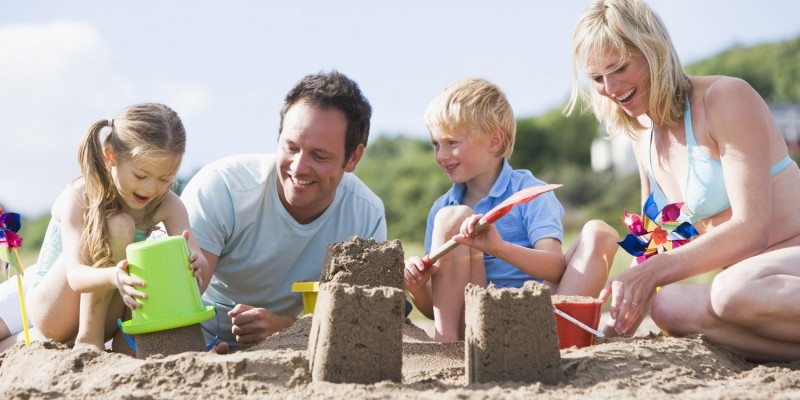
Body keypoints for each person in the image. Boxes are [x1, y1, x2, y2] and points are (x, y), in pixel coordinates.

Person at [565, 0, 800, 362]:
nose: (610, 87)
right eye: (597, 78)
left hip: (784, 261)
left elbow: (753, 229)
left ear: (653, 50)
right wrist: (615, 320)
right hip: (754, 285)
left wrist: (655, 271)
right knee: (668, 306)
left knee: (730, 292)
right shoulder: (641, 134)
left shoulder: (725, 98)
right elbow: (653, 242)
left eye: (619, 68)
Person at [180, 70, 387, 352]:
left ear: (353, 158)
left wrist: (287, 328)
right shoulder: (222, 188)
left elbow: (361, 324)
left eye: (319, 156)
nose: (299, 168)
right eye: (290, 147)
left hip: (290, 347)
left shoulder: (366, 214)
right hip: (194, 340)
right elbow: (179, 299)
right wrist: (195, 353)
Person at [404, 78, 620, 342]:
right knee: (454, 217)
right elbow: (433, 308)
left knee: (600, 232)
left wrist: (498, 248)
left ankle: (562, 337)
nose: (441, 155)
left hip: (533, 317)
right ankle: (446, 347)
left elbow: (554, 267)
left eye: (452, 143)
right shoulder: (443, 209)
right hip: (475, 326)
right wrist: (417, 288)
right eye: (435, 144)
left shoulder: (529, 193)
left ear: (494, 142)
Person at [0, 103, 207, 353]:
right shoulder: (81, 193)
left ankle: (118, 344)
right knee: (118, 226)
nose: (151, 189)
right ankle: (88, 339)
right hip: (51, 307)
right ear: (111, 156)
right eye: (141, 176)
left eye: (165, 179)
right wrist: (114, 276)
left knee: (153, 256)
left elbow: (200, 267)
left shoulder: (169, 205)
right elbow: (76, 276)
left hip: (108, 309)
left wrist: (195, 265)